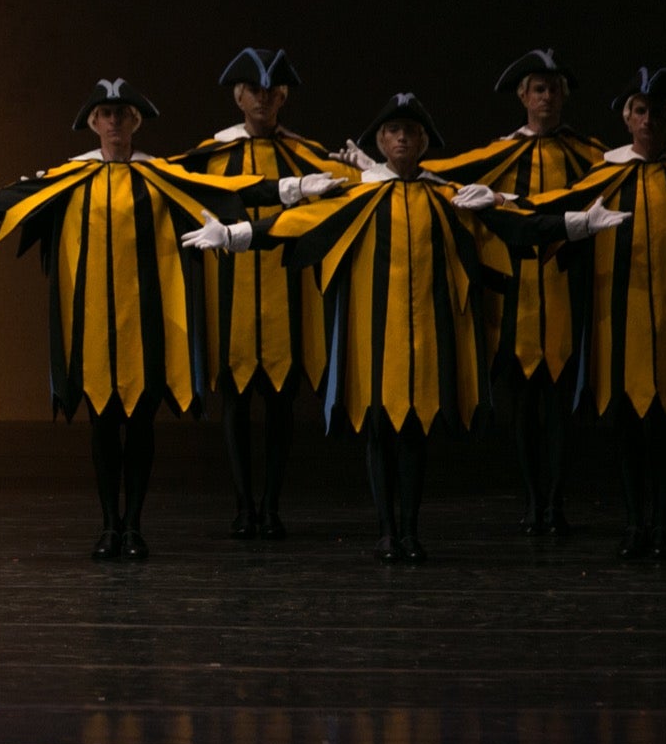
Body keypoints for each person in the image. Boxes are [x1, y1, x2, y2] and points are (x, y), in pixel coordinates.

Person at [184, 93, 626, 562]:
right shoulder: (361, 197)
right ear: (381, 140)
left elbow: (515, 226)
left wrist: (577, 224)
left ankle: (410, 530)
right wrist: (233, 235)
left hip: (426, 340)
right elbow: (296, 223)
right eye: (394, 131)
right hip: (375, 340)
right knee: (379, 431)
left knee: (414, 435)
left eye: (411, 132)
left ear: (423, 142)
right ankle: (387, 529)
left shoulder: (447, 198)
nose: (402, 138)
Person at [0, 79, 312, 559]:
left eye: (123, 114)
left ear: (135, 122)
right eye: (106, 114)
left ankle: (133, 524)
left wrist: (293, 187)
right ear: (94, 123)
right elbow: (9, 199)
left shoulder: (160, 175)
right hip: (92, 324)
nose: (115, 121)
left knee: (139, 424)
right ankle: (109, 524)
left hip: (145, 322)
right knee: (102, 425)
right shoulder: (72, 178)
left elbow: (226, 188)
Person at [166, 49, 356, 540]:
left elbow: (350, 189)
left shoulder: (305, 154)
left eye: (272, 92)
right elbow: (173, 184)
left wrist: (363, 165)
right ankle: (243, 504)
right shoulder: (212, 156)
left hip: (285, 290)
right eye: (254, 90)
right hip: (227, 291)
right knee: (234, 401)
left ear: (283, 97)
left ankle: (270, 504)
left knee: (279, 404)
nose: (263, 99)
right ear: (239, 96)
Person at [524, 68, 666, 559]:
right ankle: (633, 523)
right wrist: (496, 203)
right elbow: (546, 208)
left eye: (659, 113)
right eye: (640, 111)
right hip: (617, 324)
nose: (649, 121)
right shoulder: (605, 177)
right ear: (627, 118)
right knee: (626, 429)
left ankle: (662, 525)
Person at [423, 50, 605, 536]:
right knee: (523, 400)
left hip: (566, 288)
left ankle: (556, 500)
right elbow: (444, 175)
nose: (547, 97)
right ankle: (531, 498)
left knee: (560, 403)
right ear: (523, 97)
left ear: (564, 95)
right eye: (538, 89)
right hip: (517, 294)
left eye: (554, 88)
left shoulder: (589, 155)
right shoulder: (499, 154)